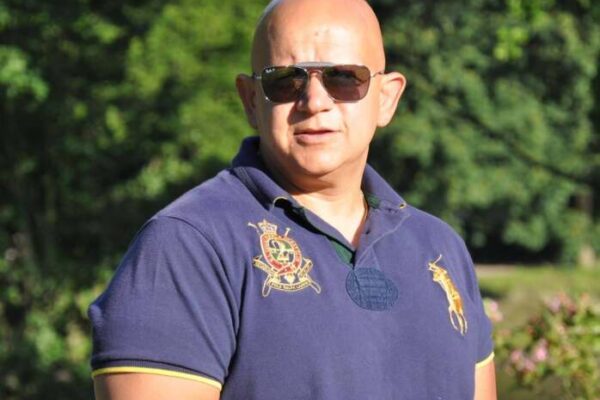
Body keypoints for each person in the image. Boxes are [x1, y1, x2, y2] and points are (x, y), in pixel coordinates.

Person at [89, 0, 497, 399]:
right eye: (285, 81)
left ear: (386, 98)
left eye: (344, 78)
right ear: (251, 99)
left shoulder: (440, 248)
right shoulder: (188, 245)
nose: (315, 102)